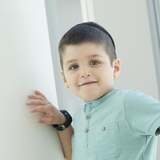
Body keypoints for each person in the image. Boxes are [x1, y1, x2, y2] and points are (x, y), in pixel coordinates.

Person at [26, 22, 160, 160]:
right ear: (64, 78)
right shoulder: (79, 115)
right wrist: (62, 121)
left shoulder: (128, 102)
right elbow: (73, 156)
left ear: (115, 68)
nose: (84, 72)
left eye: (94, 62)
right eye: (73, 66)